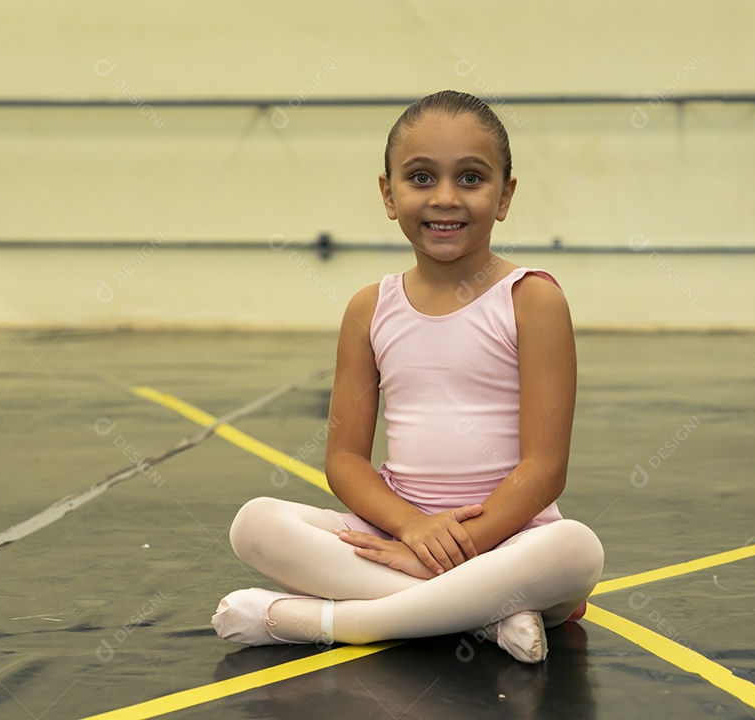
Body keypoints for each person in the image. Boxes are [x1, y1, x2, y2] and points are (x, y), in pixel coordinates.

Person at [212, 90, 604, 663]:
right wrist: (414, 531)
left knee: (576, 550)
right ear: (388, 194)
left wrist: (461, 544)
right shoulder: (369, 309)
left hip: (512, 542)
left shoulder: (532, 300)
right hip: (398, 532)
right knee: (257, 524)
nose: (445, 198)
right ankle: (486, 617)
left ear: (505, 196)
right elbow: (345, 459)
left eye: (471, 179)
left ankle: (317, 620)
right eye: (421, 178)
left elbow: (544, 471)